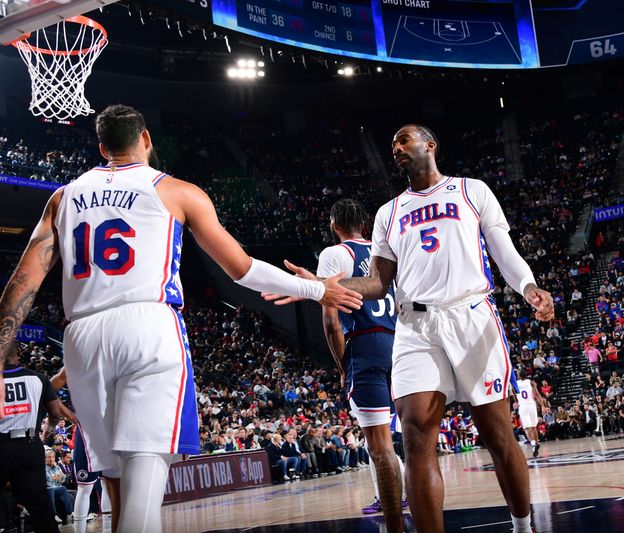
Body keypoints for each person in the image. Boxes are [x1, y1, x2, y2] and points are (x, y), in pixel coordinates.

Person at [0, 105, 362, 533]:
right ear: (147, 139)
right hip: (148, 324)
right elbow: (241, 268)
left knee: (114, 479)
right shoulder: (176, 191)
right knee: (146, 472)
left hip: (81, 335)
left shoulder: (62, 198)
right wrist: (317, 288)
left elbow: (20, 287)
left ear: (102, 148)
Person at [266, 124, 554, 532]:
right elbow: (377, 283)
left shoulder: (472, 190)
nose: (397, 147)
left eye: (404, 140)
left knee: (497, 434)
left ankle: (523, 526)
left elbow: (503, 251)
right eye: (393, 144)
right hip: (415, 326)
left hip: (470, 314)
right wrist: (315, 286)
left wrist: (528, 287)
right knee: (417, 436)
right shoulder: (389, 212)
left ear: (430, 145)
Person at [315, 198, 407, 528]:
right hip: (401, 345)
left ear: (334, 225)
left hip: (366, 344)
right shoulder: (387, 251)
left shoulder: (334, 255)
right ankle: (410, 498)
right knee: (408, 439)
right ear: (365, 225)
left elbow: (331, 321)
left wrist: (343, 366)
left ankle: (392, 507)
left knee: (379, 444)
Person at [0, 345, 72, 533]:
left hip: (1, 446)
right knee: (40, 505)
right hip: (29, 445)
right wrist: (48, 428)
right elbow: (55, 413)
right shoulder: (38, 378)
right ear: (17, 355)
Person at [51, 366, 110, 528]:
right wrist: (68, 413)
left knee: (108, 483)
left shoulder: (114, 356)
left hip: (111, 429)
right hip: (88, 433)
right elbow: (46, 389)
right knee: (85, 488)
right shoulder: (73, 365)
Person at [515, 374, 545, 458]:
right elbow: (537, 394)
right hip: (532, 405)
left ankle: (533, 443)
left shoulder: (515, 384)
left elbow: (515, 398)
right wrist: (542, 406)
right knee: (533, 426)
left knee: (526, 428)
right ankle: (536, 443)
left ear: (518, 376)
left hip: (523, 406)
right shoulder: (531, 382)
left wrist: (517, 403)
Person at [45, 448, 74, 523]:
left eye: (52, 457)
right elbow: (47, 482)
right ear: (45, 459)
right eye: (49, 457)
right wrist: (57, 478)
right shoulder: (43, 469)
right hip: (49, 489)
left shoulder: (57, 467)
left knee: (74, 492)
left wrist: (57, 478)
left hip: (58, 488)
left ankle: (74, 513)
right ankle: (55, 515)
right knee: (61, 488)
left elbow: (63, 479)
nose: (51, 459)